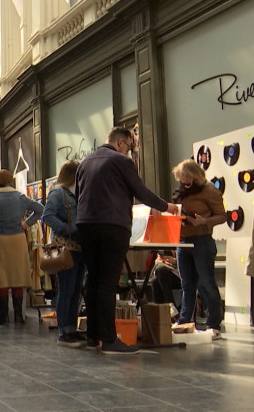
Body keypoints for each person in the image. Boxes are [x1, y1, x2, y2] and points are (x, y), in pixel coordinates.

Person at [76, 127, 179, 354]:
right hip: (112, 225)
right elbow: (140, 191)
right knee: (107, 281)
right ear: (121, 143)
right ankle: (109, 338)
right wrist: (167, 206)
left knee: (93, 280)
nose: (129, 151)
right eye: (130, 146)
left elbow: (78, 195)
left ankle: (93, 337)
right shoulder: (121, 162)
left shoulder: (84, 162)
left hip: (85, 224)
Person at [172, 159, 227, 340]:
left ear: (194, 176)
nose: (183, 182)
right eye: (181, 179)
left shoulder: (210, 190)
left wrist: (205, 221)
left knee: (206, 283)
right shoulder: (181, 192)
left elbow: (222, 216)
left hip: (202, 241)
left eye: (186, 178)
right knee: (187, 284)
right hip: (183, 241)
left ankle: (214, 324)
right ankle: (184, 322)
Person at [0, 169, 44, 325]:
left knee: (1, 277)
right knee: (17, 276)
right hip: (17, 239)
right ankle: (19, 315)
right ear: (10, 180)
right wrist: (26, 224)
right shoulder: (20, 198)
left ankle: (3, 316)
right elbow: (40, 209)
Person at [42, 160, 86, 348]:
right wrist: (67, 229)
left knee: (75, 290)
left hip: (79, 247)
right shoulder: (58, 193)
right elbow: (47, 215)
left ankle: (71, 328)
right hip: (65, 248)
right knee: (66, 290)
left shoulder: (75, 194)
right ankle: (64, 330)